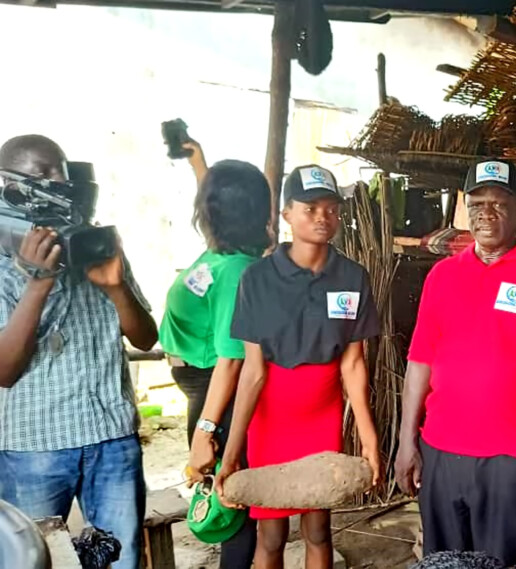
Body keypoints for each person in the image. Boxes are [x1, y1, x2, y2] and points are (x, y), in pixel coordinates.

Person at [396, 158, 516, 568]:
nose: (487, 213)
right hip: (440, 450)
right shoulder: (442, 276)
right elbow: (420, 362)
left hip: (513, 457)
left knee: (503, 562)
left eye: (499, 203)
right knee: (443, 563)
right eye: (477, 204)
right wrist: (407, 440)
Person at [0, 134, 158, 569]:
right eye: (43, 173)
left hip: (112, 437)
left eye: (63, 170)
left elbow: (145, 338)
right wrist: (38, 283)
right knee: (32, 559)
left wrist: (116, 287)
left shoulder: (97, 245)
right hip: (35, 445)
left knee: (119, 560)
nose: (60, 181)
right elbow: (4, 371)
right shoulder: (2, 263)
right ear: (10, 185)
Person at [216, 164, 381, 569]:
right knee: (271, 533)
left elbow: (353, 365)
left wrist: (369, 439)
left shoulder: (352, 277)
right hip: (271, 416)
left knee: (319, 528)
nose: (322, 217)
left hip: (322, 413)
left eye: (331, 209)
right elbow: (252, 372)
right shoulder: (257, 279)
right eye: (310, 208)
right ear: (286, 214)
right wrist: (232, 452)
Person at [158, 157, 273, 566]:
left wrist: (205, 431)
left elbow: (233, 360)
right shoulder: (223, 254)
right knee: (224, 496)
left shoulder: (237, 271)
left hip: (216, 392)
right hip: (203, 386)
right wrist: (197, 160)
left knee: (229, 504)